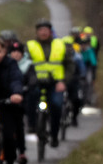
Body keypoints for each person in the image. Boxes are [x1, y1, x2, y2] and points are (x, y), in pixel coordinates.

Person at [25, 19, 73, 147]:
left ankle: (54, 134)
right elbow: (24, 64)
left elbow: (70, 65)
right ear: (37, 32)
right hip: (36, 82)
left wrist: (64, 81)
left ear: (50, 32)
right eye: (40, 30)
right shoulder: (30, 46)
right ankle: (32, 125)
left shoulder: (60, 45)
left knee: (56, 105)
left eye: (46, 30)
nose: (43, 32)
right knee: (30, 98)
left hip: (55, 83)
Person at [8, 40, 36, 164]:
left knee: (18, 123)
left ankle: (22, 151)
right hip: (7, 97)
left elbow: (32, 78)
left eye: (18, 52)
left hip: (23, 97)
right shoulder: (6, 64)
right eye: (13, 52)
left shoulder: (28, 65)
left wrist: (26, 87)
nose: (15, 54)